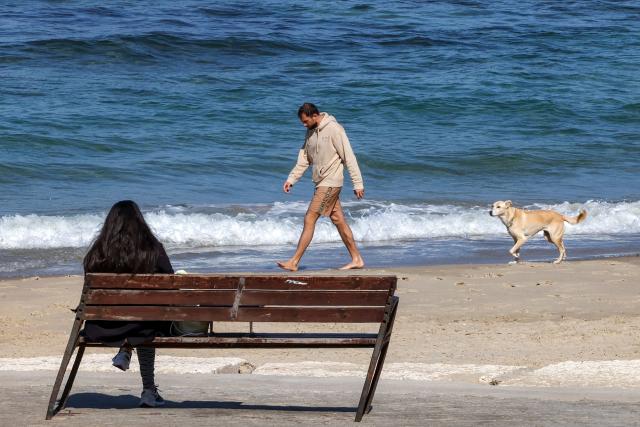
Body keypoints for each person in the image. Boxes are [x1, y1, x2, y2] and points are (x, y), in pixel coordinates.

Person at [82, 200, 173, 408]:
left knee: (138, 321)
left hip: (103, 326)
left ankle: (126, 349)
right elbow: (170, 282)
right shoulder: (152, 249)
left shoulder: (97, 251)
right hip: (143, 325)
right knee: (145, 323)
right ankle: (148, 390)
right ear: (140, 222)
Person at [277, 103, 365, 271]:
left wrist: (358, 183)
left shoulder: (334, 129)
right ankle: (357, 259)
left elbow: (349, 157)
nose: (304, 124)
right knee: (339, 221)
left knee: (310, 218)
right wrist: (291, 179)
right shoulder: (310, 132)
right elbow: (304, 159)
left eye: (305, 121)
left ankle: (294, 262)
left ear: (315, 116)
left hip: (331, 182)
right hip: (321, 183)